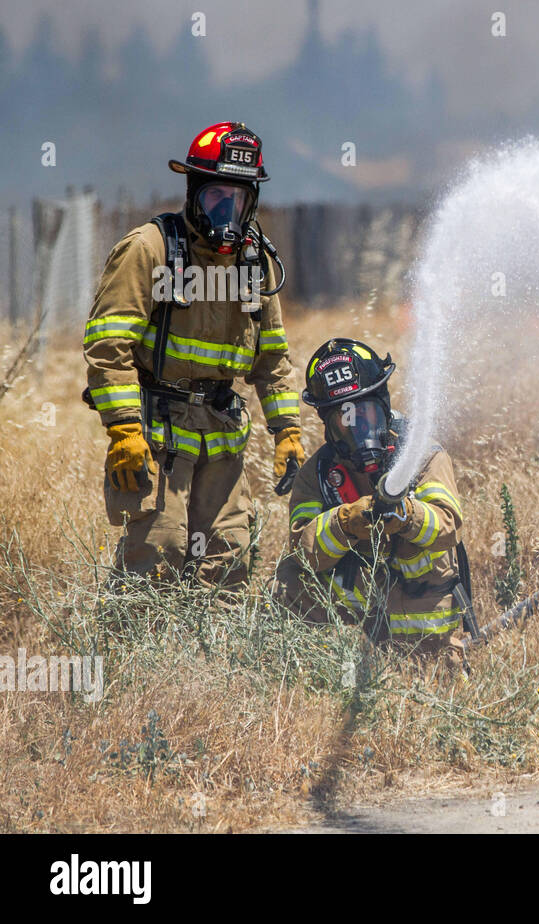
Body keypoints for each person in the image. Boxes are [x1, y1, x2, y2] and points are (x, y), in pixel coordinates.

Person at [83, 121, 304, 587]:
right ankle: (134, 658)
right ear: (193, 191)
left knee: (229, 561)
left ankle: (209, 662)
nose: (227, 209)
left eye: (238, 198)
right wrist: (124, 429)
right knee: (155, 559)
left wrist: (288, 430)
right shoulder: (151, 248)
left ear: (251, 201)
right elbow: (108, 344)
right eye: (215, 196)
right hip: (158, 435)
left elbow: (273, 359)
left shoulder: (254, 261)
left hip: (222, 439)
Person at [274, 338, 469, 664]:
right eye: (344, 418)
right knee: (285, 583)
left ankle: (430, 659)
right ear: (328, 423)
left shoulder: (420, 454)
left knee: (431, 673)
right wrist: (345, 521)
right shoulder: (317, 473)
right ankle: (309, 665)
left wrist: (407, 515)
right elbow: (303, 552)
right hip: (357, 595)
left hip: (417, 602)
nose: (358, 429)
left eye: (365, 413)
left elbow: (448, 528)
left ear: (383, 404)